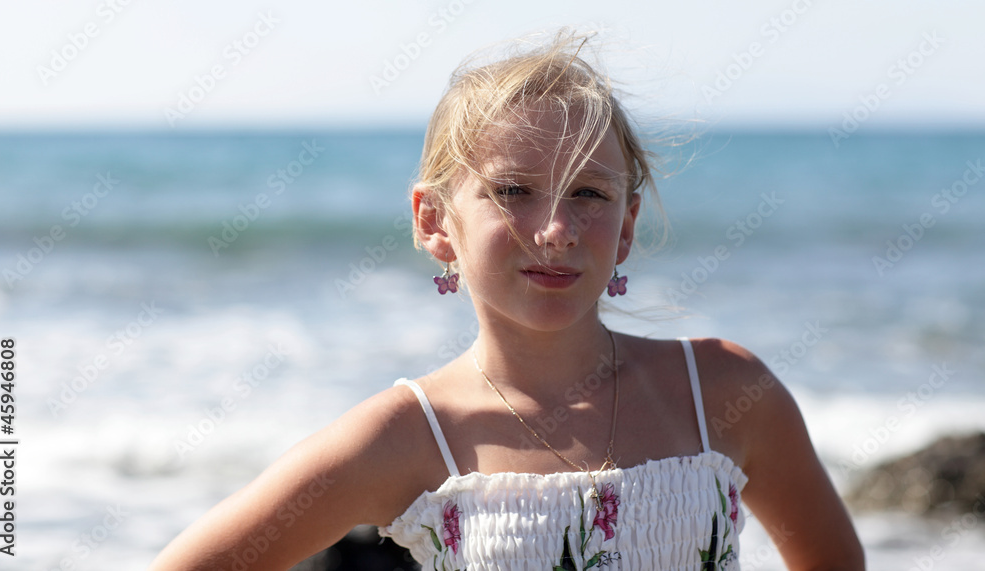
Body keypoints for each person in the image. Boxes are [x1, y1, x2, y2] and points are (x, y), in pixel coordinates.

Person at [150, 32, 864, 570]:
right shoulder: (407, 436)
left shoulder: (726, 393)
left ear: (628, 226)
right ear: (435, 221)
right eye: (513, 191)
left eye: (590, 193)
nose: (556, 229)